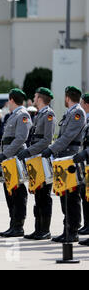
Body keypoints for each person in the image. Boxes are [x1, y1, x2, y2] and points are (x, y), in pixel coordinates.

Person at [42, 86, 86, 243]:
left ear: (68, 98)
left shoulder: (78, 113)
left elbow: (68, 137)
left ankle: (72, 230)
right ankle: (66, 229)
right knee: (64, 196)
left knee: (71, 197)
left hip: (70, 158)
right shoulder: (71, 112)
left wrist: (51, 149)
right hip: (64, 158)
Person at [17, 88, 56, 240]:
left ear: (40, 98)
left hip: (43, 160)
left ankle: (45, 230)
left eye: (35, 96)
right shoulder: (39, 114)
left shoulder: (49, 114)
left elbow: (47, 140)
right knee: (38, 195)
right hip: (35, 159)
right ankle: (37, 228)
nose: (33, 97)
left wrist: (28, 151)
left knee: (44, 195)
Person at [0, 88, 32, 238]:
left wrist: (5, 154)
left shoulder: (22, 115)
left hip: (14, 158)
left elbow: (20, 139)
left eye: (8, 101)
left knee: (17, 192)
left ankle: (18, 225)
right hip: (8, 158)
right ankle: (13, 223)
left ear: (11, 100)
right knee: (9, 191)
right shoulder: (13, 115)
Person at [71, 93, 89, 246]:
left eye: (82, 102)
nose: (81, 105)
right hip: (87, 165)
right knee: (86, 196)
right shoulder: (87, 119)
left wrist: (85, 153)